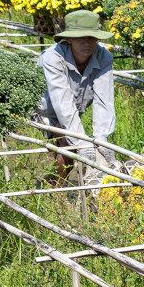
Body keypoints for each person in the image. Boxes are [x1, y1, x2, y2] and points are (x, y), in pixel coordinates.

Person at [35, 9, 117, 182]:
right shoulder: (53, 57)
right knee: (67, 148)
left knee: (83, 150)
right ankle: (56, 192)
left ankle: (53, 187)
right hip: (46, 109)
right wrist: (82, 142)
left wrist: (102, 138)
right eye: (81, 38)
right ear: (70, 38)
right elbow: (61, 102)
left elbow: (104, 99)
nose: (87, 43)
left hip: (73, 107)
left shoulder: (104, 57)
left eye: (92, 38)